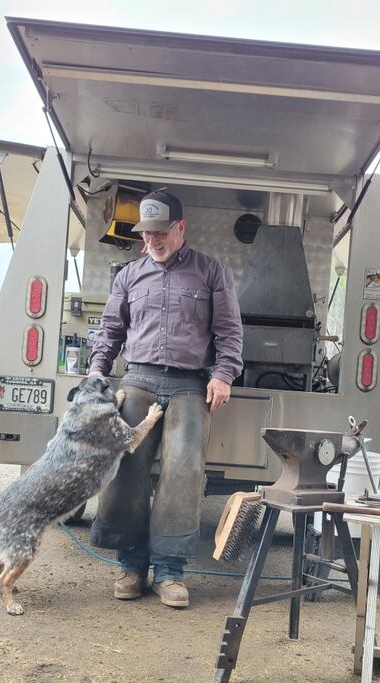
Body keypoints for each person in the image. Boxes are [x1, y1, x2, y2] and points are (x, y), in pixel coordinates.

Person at [88, 190, 243, 608]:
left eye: (160, 232)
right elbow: (110, 331)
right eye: (146, 233)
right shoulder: (129, 276)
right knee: (126, 467)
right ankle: (131, 566)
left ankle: (170, 572)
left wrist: (224, 374)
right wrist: (97, 373)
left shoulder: (212, 272)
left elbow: (229, 331)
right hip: (137, 379)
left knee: (184, 471)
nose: (152, 241)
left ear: (180, 228)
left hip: (191, 385)